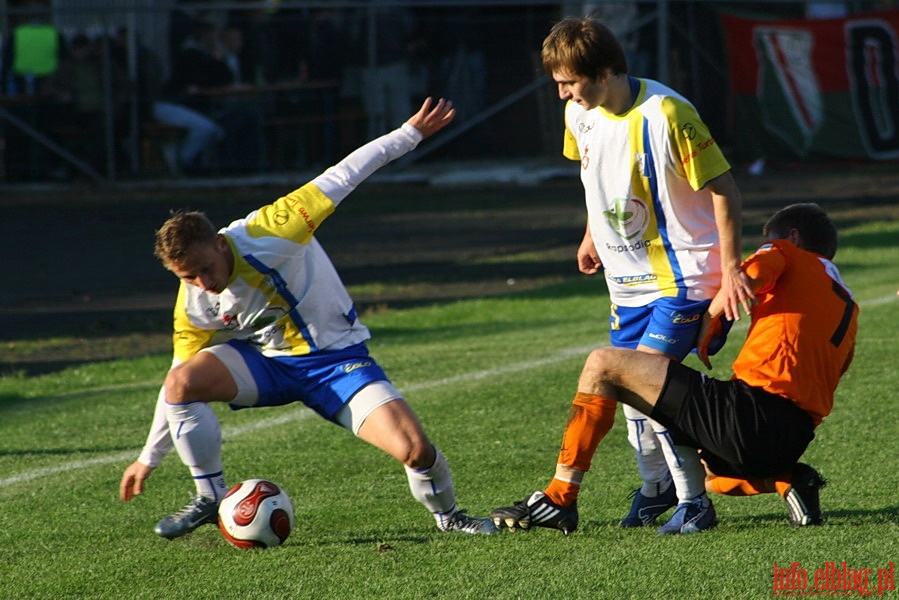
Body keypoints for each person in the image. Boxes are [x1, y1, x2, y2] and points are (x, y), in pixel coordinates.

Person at [119, 97, 497, 539]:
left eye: (204, 269)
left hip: (336, 362)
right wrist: (150, 457)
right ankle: (211, 495)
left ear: (221, 244)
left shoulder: (271, 231)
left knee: (415, 450)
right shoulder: (194, 299)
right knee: (183, 382)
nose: (202, 283)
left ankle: (449, 516)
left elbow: (344, 175)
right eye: (188, 276)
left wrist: (409, 134)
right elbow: (175, 380)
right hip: (268, 365)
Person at [491, 202, 858, 534]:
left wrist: (711, 318)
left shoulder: (786, 251)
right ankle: (788, 478)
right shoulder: (848, 305)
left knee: (603, 364)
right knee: (705, 472)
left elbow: (746, 277)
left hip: (751, 412)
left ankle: (560, 498)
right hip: (792, 436)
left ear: (793, 236)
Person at [536, 16, 755, 534]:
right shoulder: (579, 114)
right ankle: (655, 491)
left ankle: (695, 501)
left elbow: (726, 191)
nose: (563, 93)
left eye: (569, 81)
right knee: (631, 392)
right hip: (625, 280)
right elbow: (595, 177)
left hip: (684, 276)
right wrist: (593, 235)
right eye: (558, 83)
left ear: (606, 70)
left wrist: (730, 270)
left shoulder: (668, 112)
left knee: (653, 385)